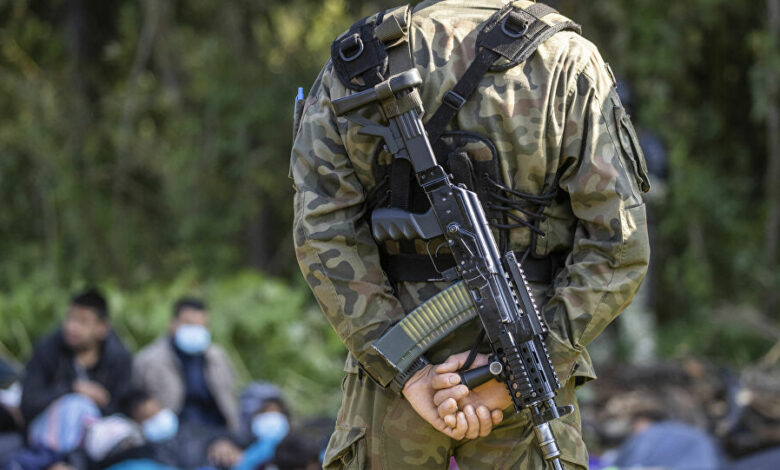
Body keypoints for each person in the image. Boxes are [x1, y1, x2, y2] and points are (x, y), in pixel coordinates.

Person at [291, 0, 650, 468]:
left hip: (405, 389)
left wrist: (407, 373)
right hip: (528, 370)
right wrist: (532, 367)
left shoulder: (356, 63)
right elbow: (619, 242)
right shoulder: (567, 61)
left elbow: (322, 234)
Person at [20, 289, 133, 455]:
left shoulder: (119, 356)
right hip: (48, 436)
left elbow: (122, 405)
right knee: (74, 406)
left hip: (99, 438)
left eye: (83, 322)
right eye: (70, 318)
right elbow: (28, 404)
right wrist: (71, 388)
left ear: (102, 328)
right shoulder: (47, 349)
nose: (72, 327)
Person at [132, 298, 240, 433]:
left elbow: (232, 400)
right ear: (172, 324)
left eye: (201, 326)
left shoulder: (218, 359)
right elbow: (134, 402)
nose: (195, 331)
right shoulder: (148, 360)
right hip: (172, 437)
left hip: (217, 433)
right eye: (189, 324)